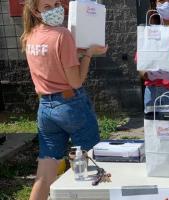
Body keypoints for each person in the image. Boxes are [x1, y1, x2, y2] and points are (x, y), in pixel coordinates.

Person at [20, 0, 108, 199]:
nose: (55, 10)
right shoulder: (63, 35)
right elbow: (76, 82)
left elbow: (51, 60)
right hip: (71, 106)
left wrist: (75, 54)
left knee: (44, 174)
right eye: (47, 7)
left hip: (45, 109)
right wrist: (88, 56)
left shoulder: (30, 36)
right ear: (35, 11)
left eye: (57, 4)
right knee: (89, 167)